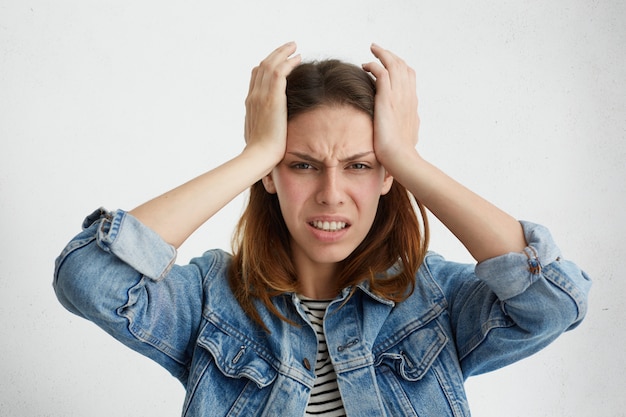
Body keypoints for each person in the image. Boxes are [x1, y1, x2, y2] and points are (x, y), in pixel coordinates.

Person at [54, 42, 591, 417]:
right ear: (273, 175)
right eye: (302, 164)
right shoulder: (211, 300)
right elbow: (89, 277)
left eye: (359, 165)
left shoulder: (435, 300)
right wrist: (256, 154)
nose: (331, 193)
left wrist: (408, 158)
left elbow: (552, 303)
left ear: (387, 177)